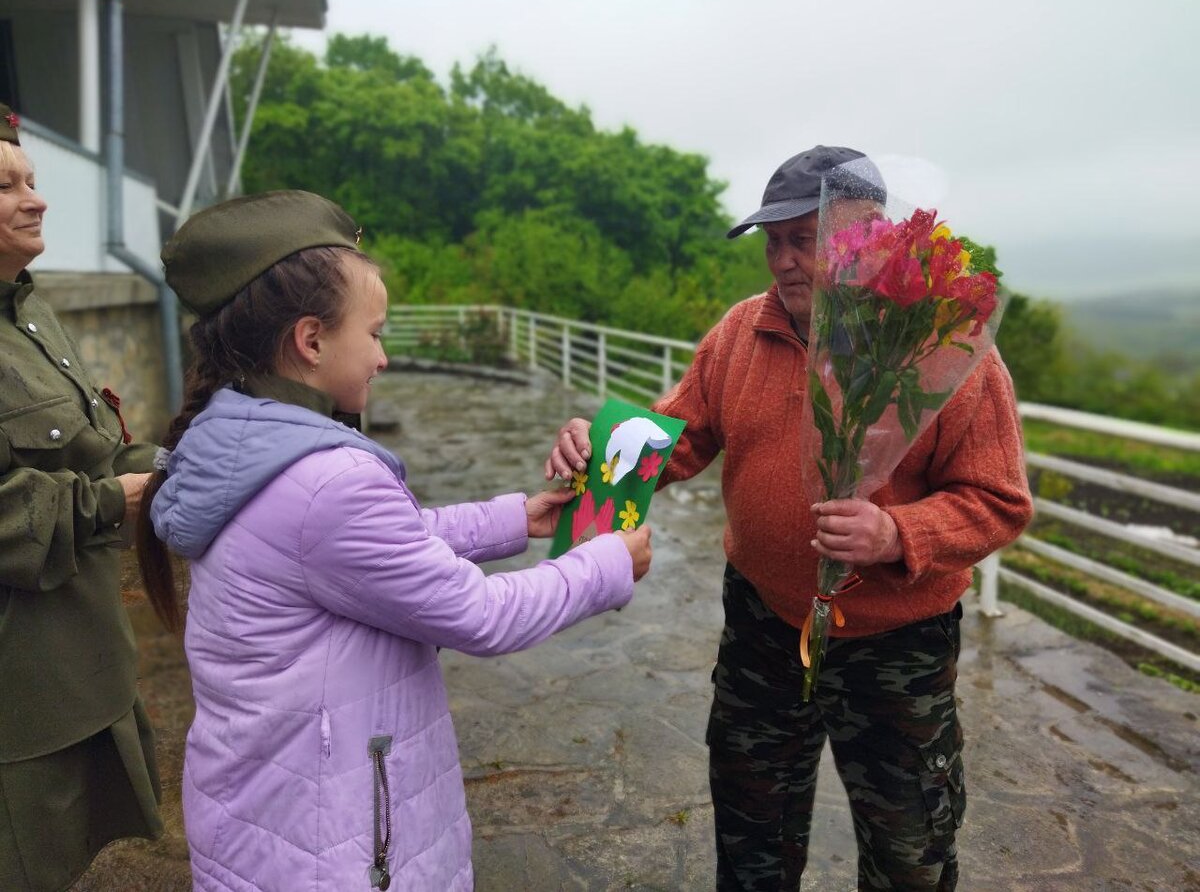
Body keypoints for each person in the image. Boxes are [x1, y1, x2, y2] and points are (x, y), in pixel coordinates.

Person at [545, 145, 1034, 891]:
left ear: (866, 237)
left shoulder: (947, 345)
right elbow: (677, 437)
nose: (780, 262)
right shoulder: (744, 332)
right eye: (773, 243)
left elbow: (998, 501)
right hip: (764, 623)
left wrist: (898, 534)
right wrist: (599, 450)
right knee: (751, 827)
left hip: (894, 644)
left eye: (800, 242)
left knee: (910, 847)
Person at [135, 189, 652, 891]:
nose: (383, 357)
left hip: (270, 813)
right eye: (373, 333)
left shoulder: (239, 437)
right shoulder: (329, 481)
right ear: (311, 340)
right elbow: (482, 616)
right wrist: (606, 564)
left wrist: (514, 519)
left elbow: (364, 553)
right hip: (335, 847)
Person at [0, 103, 162, 890]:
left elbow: (93, 443)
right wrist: (110, 504)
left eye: (31, 179)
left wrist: (177, 463)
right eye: (7, 186)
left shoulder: (28, 309)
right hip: (19, 699)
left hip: (80, 665)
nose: (37, 199)